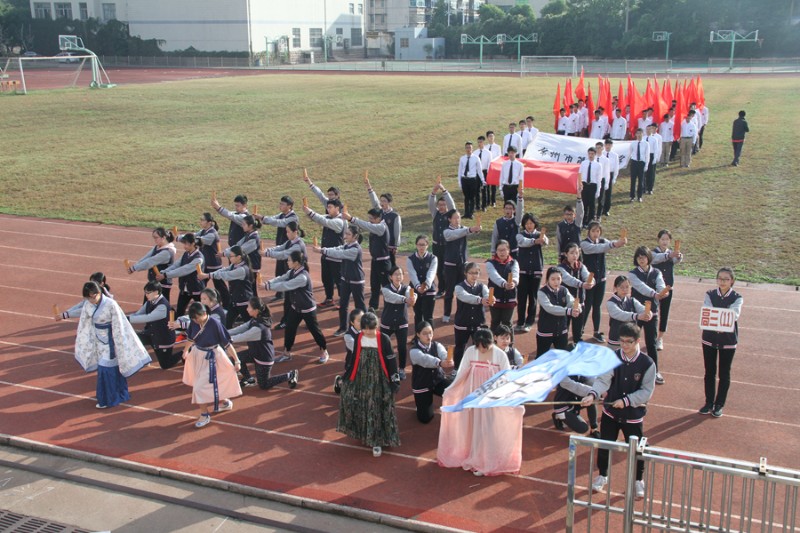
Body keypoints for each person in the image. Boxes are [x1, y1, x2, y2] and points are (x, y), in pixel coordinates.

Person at [437, 328, 524, 476]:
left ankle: (485, 461)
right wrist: (450, 390)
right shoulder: (471, 351)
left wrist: (512, 401)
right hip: (473, 396)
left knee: (488, 429)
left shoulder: (500, 355)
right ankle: (475, 457)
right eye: (480, 346)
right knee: (473, 427)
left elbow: (507, 378)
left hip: (490, 399)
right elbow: (461, 373)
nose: (482, 350)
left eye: (486, 346)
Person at [583, 322, 655, 500]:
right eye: (622, 341)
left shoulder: (647, 363)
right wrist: (593, 394)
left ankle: (638, 479)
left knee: (637, 450)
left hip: (633, 417)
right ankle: (603, 475)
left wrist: (627, 401)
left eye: (629, 342)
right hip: (611, 414)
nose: (624, 345)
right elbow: (603, 380)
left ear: (638, 341)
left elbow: (647, 391)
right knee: (605, 445)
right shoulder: (613, 358)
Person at [68, 281, 151, 409]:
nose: (91, 300)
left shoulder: (111, 304)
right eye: (88, 298)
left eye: (93, 296)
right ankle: (116, 395)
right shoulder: (88, 305)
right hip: (96, 339)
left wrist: (118, 342)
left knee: (106, 369)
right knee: (106, 369)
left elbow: (120, 324)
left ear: (99, 293)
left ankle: (109, 399)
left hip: (111, 341)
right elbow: (85, 322)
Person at [337, 312, 400, 457]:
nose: (367, 332)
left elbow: (391, 360)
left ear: (376, 327)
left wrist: (394, 380)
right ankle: (364, 433)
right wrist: (346, 376)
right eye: (364, 328)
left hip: (379, 379)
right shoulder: (359, 337)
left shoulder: (383, 339)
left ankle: (376, 441)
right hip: (361, 378)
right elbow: (354, 359)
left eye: (370, 329)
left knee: (376, 406)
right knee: (361, 403)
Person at [181, 302, 242, 428]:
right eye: (193, 318)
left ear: (204, 314)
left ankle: (204, 414)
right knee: (209, 382)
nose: (195, 320)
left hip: (214, 355)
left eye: (196, 318)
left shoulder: (215, 323)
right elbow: (191, 338)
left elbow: (227, 343)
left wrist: (236, 360)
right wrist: (185, 350)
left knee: (201, 386)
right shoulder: (194, 322)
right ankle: (224, 402)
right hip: (199, 354)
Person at [263, 250, 329, 364]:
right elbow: (281, 278)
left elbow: (286, 285)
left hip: (307, 309)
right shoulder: (292, 271)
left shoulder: (302, 277)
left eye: (289, 260)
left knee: (315, 331)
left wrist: (269, 287)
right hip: (296, 308)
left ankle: (324, 350)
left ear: (296, 262)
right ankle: (287, 353)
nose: (287, 262)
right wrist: (269, 282)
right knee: (289, 329)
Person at [699, 267, 743, 418]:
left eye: (726, 279)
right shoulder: (709, 294)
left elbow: (733, 314)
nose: (722, 282)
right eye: (720, 278)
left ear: (732, 281)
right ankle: (708, 402)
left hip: (728, 340)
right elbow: (707, 310)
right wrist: (719, 320)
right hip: (709, 339)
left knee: (724, 373)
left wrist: (718, 320)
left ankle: (719, 404)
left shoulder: (737, 298)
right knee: (709, 372)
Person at [228, 296, 299, 390]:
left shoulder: (259, 328)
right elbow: (240, 329)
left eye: (249, 307)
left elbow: (242, 336)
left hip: (264, 358)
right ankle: (248, 379)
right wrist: (224, 333)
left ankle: (290, 375)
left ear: (256, 310)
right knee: (235, 358)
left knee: (264, 385)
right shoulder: (255, 319)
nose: (246, 309)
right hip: (254, 352)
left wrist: (224, 339)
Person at [580, 222, 626, 343]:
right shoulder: (584, 244)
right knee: (587, 305)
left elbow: (608, 246)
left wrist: (620, 242)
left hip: (601, 279)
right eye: (593, 231)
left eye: (598, 231)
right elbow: (598, 248)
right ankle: (580, 330)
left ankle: (596, 331)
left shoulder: (603, 241)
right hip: (589, 280)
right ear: (588, 231)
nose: (596, 234)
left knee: (597, 306)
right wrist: (614, 244)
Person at [317, 224, 366, 336]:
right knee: (343, 305)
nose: (345, 236)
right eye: (346, 233)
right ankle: (343, 328)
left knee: (360, 305)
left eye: (348, 234)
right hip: (345, 280)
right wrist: (323, 249)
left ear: (355, 236)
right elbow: (337, 249)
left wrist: (322, 251)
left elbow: (339, 254)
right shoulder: (346, 245)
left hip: (356, 281)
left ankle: (366, 325)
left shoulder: (355, 249)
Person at [629, 246, 668, 384]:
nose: (641, 260)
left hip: (652, 313)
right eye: (639, 257)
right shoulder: (632, 274)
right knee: (632, 341)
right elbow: (640, 287)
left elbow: (661, 285)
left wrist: (663, 292)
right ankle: (632, 369)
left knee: (651, 343)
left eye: (644, 257)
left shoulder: (656, 272)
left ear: (648, 258)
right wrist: (656, 294)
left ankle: (655, 371)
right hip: (637, 313)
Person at [344, 206, 391, 312]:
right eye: (369, 218)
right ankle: (373, 306)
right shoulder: (375, 225)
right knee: (374, 285)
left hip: (383, 262)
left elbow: (367, 226)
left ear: (379, 218)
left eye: (372, 218)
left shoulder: (381, 227)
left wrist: (352, 219)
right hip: (375, 260)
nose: (370, 220)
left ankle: (391, 306)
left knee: (386, 287)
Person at [263, 220, 307, 330]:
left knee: (295, 299)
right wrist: (267, 250)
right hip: (293, 272)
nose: (286, 234)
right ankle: (292, 320)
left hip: (299, 275)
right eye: (286, 232)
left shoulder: (297, 245)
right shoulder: (290, 242)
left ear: (295, 232)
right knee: (296, 299)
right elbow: (280, 248)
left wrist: (267, 254)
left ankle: (288, 321)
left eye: (288, 232)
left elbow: (284, 254)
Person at [129, 281, 181, 370]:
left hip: (163, 338)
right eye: (145, 293)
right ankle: (140, 359)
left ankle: (186, 352)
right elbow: (138, 314)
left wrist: (129, 319)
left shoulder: (163, 306)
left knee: (165, 365)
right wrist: (125, 318)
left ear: (156, 292)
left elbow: (148, 317)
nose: (146, 295)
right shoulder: (150, 302)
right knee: (131, 337)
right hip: (151, 334)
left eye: (148, 293)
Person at [409, 322, 454, 423]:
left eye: (430, 333)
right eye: (425, 333)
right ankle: (420, 405)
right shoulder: (414, 351)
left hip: (438, 380)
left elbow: (443, 354)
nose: (428, 336)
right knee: (425, 419)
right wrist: (440, 362)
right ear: (418, 334)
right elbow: (425, 360)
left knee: (454, 391)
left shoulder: (437, 345)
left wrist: (448, 359)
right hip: (422, 385)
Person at [442, 209, 481, 323]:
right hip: (450, 265)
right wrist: (470, 229)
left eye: (458, 217)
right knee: (449, 291)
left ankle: (461, 313)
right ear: (449, 219)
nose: (457, 220)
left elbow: (469, 232)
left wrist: (476, 229)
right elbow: (455, 235)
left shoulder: (463, 228)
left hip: (462, 265)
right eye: (454, 217)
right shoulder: (447, 231)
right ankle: (446, 314)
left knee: (463, 290)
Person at [304, 198, 345, 307]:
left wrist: (310, 213)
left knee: (339, 280)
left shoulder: (339, 221)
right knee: (326, 278)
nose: (328, 209)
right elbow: (319, 218)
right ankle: (329, 298)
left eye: (330, 207)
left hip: (336, 256)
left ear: (337, 208)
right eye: (327, 207)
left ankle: (343, 299)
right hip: (326, 255)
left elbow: (323, 221)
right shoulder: (329, 217)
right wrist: (309, 213)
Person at [200, 245, 253, 328]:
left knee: (250, 324)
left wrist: (207, 276)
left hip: (243, 301)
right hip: (235, 300)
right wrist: (208, 275)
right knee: (227, 322)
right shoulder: (234, 265)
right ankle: (226, 338)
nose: (229, 258)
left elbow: (226, 275)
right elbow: (223, 270)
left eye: (231, 256)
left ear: (239, 257)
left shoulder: (242, 269)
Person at [258, 195, 299, 303]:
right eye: (280, 203)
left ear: (289, 206)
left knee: (288, 272)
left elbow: (279, 223)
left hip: (289, 250)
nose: (280, 206)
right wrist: (262, 219)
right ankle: (280, 293)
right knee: (279, 271)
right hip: (281, 248)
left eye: (282, 204)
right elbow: (273, 219)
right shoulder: (281, 215)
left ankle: (290, 294)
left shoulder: (293, 217)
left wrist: (262, 218)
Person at [452, 262, 490, 370]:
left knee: (479, 347)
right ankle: (457, 368)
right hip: (462, 322)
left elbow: (487, 294)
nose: (474, 276)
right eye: (471, 273)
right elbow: (465, 297)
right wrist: (481, 300)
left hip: (478, 322)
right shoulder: (459, 287)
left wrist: (489, 299)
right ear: (465, 273)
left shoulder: (482, 286)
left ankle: (477, 368)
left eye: (476, 273)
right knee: (460, 347)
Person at [536, 267, 579, 358]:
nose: (556, 282)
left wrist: (577, 308)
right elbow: (550, 308)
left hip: (561, 331)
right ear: (547, 279)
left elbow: (571, 301)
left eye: (558, 279)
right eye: (553, 279)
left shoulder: (564, 290)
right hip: (545, 331)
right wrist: (568, 311)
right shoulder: (542, 292)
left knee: (563, 358)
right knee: (541, 358)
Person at [557, 243, 596, 344]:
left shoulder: (581, 266)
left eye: (577, 253)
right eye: (572, 253)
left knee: (578, 328)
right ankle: (562, 344)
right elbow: (569, 280)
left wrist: (591, 281)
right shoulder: (561, 268)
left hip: (580, 302)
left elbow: (587, 275)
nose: (575, 255)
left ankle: (578, 343)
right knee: (564, 327)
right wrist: (582, 284)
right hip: (566, 303)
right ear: (566, 254)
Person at [515, 212, 547, 333]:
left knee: (533, 298)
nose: (529, 225)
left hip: (536, 270)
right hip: (522, 270)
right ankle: (520, 322)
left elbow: (546, 242)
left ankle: (529, 322)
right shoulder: (520, 235)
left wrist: (542, 239)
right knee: (521, 297)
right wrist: (535, 241)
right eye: (527, 223)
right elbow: (522, 242)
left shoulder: (540, 234)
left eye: (531, 223)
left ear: (535, 224)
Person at [652, 230, 683, 350]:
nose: (665, 242)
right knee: (652, 313)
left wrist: (679, 256)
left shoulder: (671, 253)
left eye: (667, 240)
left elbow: (676, 260)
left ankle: (660, 338)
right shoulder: (653, 253)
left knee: (664, 313)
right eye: (662, 239)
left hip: (668, 287)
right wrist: (670, 255)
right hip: (654, 288)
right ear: (658, 240)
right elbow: (656, 259)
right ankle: (651, 336)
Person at [380, 266, 413, 380]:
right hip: (387, 322)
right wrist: (405, 299)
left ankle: (402, 369)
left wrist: (414, 298)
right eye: (395, 274)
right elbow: (391, 297)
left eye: (400, 274)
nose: (398, 276)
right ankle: (382, 367)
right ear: (390, 277)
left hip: (401, 322)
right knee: (382, 346)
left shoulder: (406, 288)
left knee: (402, 347)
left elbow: (411, 295)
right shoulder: (385, 289)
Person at [160, 233, 204, 318]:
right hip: (184, 289)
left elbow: (184, 270)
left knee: (201, 312)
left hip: (196, 289)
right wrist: (165, 271)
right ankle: (179, 328)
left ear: (193, 244)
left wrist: (166, 275)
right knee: (180, 313)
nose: (184, 246)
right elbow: (177, 264)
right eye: (184, 243)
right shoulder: (186, 254)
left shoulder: (199, 258)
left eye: (186, 244)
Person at [128, 227, 176, 303]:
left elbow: (150, 262)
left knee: (161, 307)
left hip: (162, 285)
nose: (154, 240)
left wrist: (134, 268)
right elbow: (146, 257)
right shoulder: (157, 247)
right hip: (154, 282)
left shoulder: (167, 252)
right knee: (147, 305)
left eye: (156, 238)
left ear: (163, 237)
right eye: (154, 238)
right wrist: (135, 266)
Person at [195, 212, 230, 310]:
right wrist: (180, 237)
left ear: (209, 222)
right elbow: (194, 236)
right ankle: (202, 303)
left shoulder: (212, 233)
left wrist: (188, 239)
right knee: (200, 283)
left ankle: (227, 304)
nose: (200, 222)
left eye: (203, 220)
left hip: (214, 263)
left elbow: (199, 240)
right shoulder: (203, 231)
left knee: (220, 286)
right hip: (207, 264)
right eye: (200, 219)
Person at [486, 241, 519, 343]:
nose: (502, 252)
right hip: (495, 297)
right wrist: (504, 284)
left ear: (508, 250)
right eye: (499, 250)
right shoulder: (490, 263)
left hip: (509, 297)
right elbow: (494, 276)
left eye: (504, 250)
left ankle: (509, 346)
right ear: (496, 251)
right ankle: (491, 344)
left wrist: (513, 282)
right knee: (495, 322)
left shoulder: (514, 262)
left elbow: (515, 274)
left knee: (507, 323)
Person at [606, 275, 651, 348]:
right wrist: (637, 316)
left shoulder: (632, 300)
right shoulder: (610, 303)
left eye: (627, 287)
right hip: (616, 341)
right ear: (615, 288)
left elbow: (642, 308)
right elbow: (621, 315)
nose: (625, 289)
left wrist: (648, 313)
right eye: (621, 287)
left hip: (632, 340)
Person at [429, 179, 455, 299]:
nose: (441, 207)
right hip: (436, 246)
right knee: (438, 269)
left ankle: (450, 288)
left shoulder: (450, 216)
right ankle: (441, 288)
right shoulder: (435, 214)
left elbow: (452, 205)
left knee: (448, 269)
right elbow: (430, 203)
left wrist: (444, 190)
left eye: (444, 205)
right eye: (439, 205)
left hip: (448, 246)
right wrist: (433, 192)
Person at [366, 178, 402, 266]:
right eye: (381, 201)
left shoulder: (395, 216)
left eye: (384, 201)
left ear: (389, 202)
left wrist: (396, 245)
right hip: (379, 245)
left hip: (390, 246)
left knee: (391, 266)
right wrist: (369, 187)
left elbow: (397, 232)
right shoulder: (379, 212)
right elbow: (374, 201)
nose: (382, 203)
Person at [406, 235, 437, 333]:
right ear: (416, 245)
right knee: (418, 315)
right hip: (415, 290)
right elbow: (412, 274)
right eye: (419, 245)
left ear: (427, 245)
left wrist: (426, 285)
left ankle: (429, 338)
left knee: (428, 316)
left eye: (424, 245)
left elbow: (431, 273)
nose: (421, 247)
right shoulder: (410, 259)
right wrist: (418, 286)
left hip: (429, 290)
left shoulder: (433, 258)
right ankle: (417, 337)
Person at [552, 374, 599, 438]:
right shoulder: (563, 376)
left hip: (574, 401)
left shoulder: (581, 371)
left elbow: (591, 381)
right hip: (563, 407)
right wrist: (596, 392)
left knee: (591, 401)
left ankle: (594, 429)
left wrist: (596, 392)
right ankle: (557, 416)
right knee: (583, 429)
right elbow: (576, 387)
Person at [334, 308, 364, 395]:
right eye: (359, 320)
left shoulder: (366, 331)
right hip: (352, 360)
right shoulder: (348, 335)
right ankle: (340, 382)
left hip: (364, 359)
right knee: (350, 378)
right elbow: (357, 349)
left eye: (363, 319)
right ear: (352, 322)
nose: (362, 322)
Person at [490, 183, 523, 258]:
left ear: (514, 210)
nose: (508, 210)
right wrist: (493, 252)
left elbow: (520, 211)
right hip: (501, 254)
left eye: (510, 209)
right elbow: (495, 237)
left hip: (514, 253)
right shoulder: (498, 222)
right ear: (503, 209)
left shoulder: (516, 221)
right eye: (506, 208)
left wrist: (520, 198)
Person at [457, 141, 483, 220]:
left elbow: (479, 170)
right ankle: (466, 213)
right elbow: (460, 170)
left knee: (472, 197)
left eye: (470, 148)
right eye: (467, 148)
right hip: (464, 179)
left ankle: (471, 213)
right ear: (465, 149)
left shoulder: (476, 158)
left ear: (472, 149)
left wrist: (482, 180)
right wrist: (459, 181)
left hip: (472, 179)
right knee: (466, 197)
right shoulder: (462, 158)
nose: (468, 149)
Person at [579, 148, 603, 227]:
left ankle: (590, 222)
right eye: (589, 154)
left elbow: (599, 178)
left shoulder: (598, 165)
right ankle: (583, 221)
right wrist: (580, 185)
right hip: (585, 184)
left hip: (593, 185)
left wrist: (598, 190)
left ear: (595, 154)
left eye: (592, 154)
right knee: (584, 204)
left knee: (592, 205)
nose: (591, 155)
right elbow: (580, 174)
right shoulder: (584, 163)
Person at [628, 128, 649, 203]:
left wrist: (646, 165)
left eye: (640, 133)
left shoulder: (646, 143)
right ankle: (632, 196)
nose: (639, 135)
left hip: (641, 163)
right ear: (636, 134)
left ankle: (639, 196)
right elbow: (630, 153)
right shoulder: (633, 143)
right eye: (638, 133)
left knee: (641, 180)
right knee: (633, 180)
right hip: (634, 162)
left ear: (643, 134)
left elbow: (647, 155)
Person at [600, 139, 620, 217]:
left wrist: (614, 177)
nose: (608, 146)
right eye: (606, 145)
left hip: (610, 174)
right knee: (601, 193)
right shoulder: (602, 154)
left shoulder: (615, 155)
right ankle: (600, 208)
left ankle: (606, 209)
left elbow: (616, 167)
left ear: (611, 146)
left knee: (608, 193)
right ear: (604, 145)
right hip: (602, 174)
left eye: (609, 145)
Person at [484, 130, 502, 207]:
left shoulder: (497, 147)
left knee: (493, 186)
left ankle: (493, 201)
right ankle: (488, 201)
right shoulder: (485, 147)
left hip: (494, 168)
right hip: (487, 168)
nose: (491, 138)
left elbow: (499, 157)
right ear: (487, 138)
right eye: (489, 136)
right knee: (487, 185)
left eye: (492, 136)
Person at [475, 135, 492, 211]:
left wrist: (488, 173)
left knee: (484, 189)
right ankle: (477, 205)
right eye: (478, 142)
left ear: (483, 142)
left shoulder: (488, 153)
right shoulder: (475, 152)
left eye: (481, 142)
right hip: (477, 172)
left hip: (485, 171)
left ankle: (484, 205)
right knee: (476, 189)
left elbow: (489, 163)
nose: (479, 144)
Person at [644, 123, 662, 195]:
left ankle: (650, 188)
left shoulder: (656, 138)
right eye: (647, 129)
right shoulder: (644, 138)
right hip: (645, 156)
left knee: (651, 173)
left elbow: (657, 149)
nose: (648, 130)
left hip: (651, 155)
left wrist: (656, 157)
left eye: (650, 129)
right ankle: (644, 187)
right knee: (645, 172)